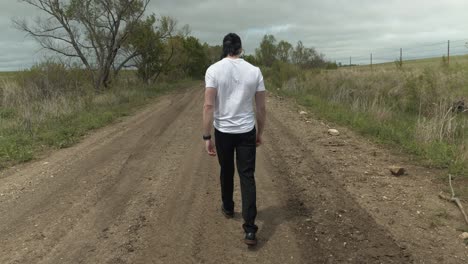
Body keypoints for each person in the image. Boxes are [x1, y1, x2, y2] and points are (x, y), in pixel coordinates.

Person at [203, 33, 266, 246]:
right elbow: (261, 108)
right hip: (246, 130)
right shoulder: (254, 71)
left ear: (224, 48)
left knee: (226, 170)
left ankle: (228, 207)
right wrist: (260, 132)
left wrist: (206, 136)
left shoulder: (213, 70)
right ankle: (250, 229)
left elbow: (208, 106)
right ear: (240, 48)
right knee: (247, 176)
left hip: (223, 131)